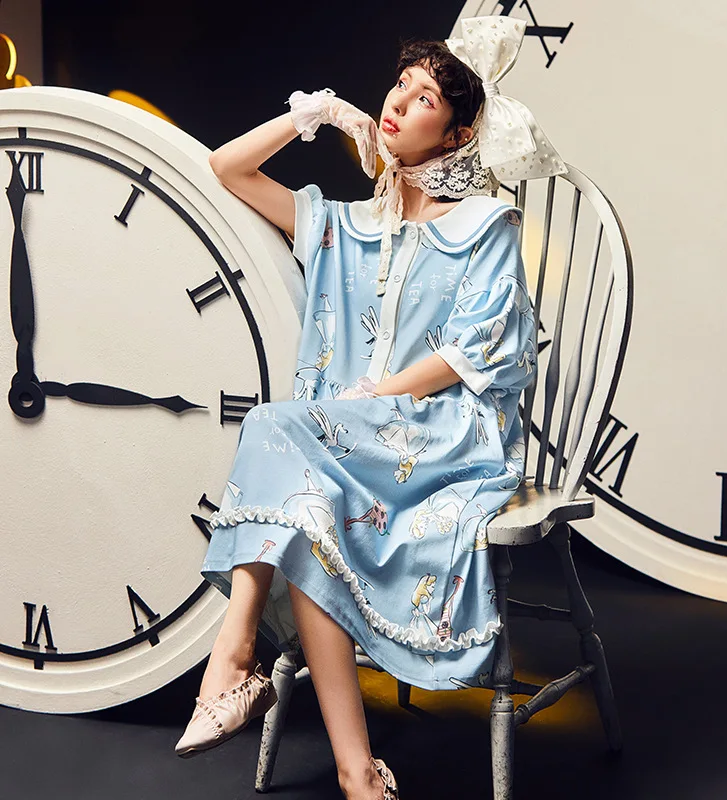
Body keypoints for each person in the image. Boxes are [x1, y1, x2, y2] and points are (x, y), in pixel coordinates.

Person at [175, 15, 559, 800]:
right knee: (309, 517)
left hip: (441, 436)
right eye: (400, 87)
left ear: (456, 136)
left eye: (424, 101)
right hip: (346, 438)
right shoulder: (346, 228)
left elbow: (475, 349)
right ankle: (358, 773)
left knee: (272, 426)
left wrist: (378, 393)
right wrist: (312, 114)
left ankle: (234, 659)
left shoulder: (485, 225)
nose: (398, 104)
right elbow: (226, 167)